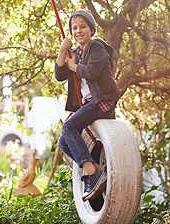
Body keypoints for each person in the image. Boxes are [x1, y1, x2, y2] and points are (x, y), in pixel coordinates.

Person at [54, 9, 121, 202]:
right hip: (90, 104)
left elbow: (92, 71)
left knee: (68, 127)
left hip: (103, 100)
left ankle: (91, 172)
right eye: (74, 28)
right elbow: (59, 76)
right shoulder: (73, 52)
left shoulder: (97, 46)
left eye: (83, 27)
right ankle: (96, 170)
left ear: (91, 29)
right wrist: (62, 51)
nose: (78, 31)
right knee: (63, 142)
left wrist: (73, 67)